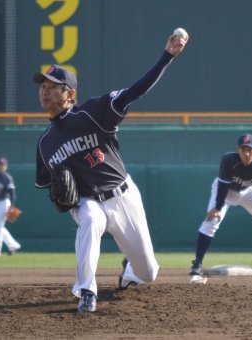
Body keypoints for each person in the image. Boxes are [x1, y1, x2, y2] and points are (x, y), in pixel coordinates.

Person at [34, 31, 189, 312]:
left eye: (52, 85)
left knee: (149, 273)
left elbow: (134, 91)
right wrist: (61, 199)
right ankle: (86, 291)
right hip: (87, 201)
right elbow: (49, 185)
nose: (44, 90)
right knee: (91, 220)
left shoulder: (93, 112)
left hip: (122, 195)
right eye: (42, 86)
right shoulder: (44, 143)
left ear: (69, 94)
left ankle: (129, 270)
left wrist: (167, 56)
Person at [189, 134, 252, 275]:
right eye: (243, 149)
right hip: (226, 192)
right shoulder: (229, 160)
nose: (246, 153)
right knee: (212, 220)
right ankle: (197, 263)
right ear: (237, 150)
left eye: (249, 150)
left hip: (249, 192)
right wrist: (218, 208)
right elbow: (222, 186)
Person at [0, 157, 21, 256]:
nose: (1, 167)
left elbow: (12, 194)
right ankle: (13, 245)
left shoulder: (7, 178)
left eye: (3, 165)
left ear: (6, 166)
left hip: (4, 203)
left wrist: (12, 206)